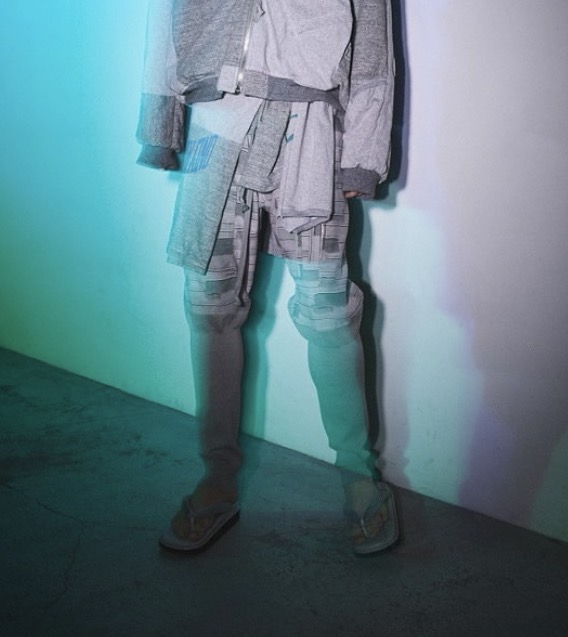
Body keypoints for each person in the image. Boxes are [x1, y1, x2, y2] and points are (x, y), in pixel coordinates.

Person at [136, 0, 399, 555]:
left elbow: (374, 53)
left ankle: (358, 475)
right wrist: (160, 125)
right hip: (216, 128)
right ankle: (217, 479)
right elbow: (164, 19)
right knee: (209, 306)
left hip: (313, 135)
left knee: (328, 313)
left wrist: (363, 153)